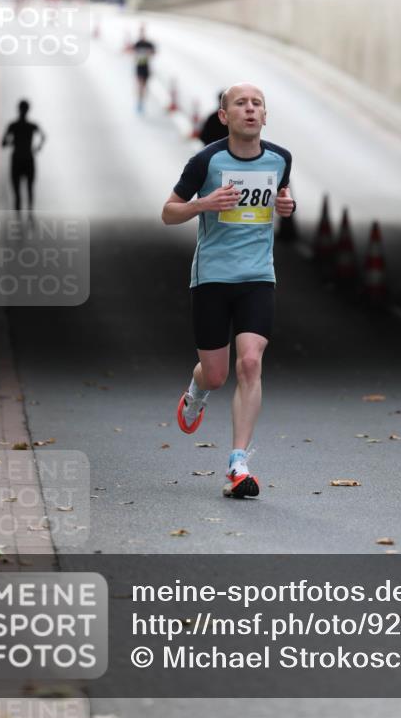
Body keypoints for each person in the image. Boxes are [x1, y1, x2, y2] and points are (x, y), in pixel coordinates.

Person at [161, 83, 296, 499]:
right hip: (212, 278)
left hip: (258, 276)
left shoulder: (280, 159)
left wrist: (287, 207)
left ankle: (239, 462)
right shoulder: (206, 161)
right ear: (225, 116)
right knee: (217, 375)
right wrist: (205, 203)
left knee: (251, 363)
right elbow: (168, 212)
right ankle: (197, 391)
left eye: (257, 103)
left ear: (265, 115)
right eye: (241, 104)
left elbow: (282, 196)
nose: (250, 109)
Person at [1, 100, 46, 212]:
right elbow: (43, 136)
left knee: (17, 191)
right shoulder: (31, 126)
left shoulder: (13, 126)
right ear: (28, 110)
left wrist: (12, 143)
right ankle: (29, 211)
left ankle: (19, 213)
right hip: (28, 158)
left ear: (19, 109)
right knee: (29, 188)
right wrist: (38, 147)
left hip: (17, 159)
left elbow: (3, 143)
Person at [130, 25, 156, 113]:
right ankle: (139, 102)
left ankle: (142, 101)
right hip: (139, 67)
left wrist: (149, 53)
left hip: (146, 67)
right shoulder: (137, 43)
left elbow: (154, 53)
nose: (142, 33)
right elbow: (131, 51)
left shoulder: (149, 44)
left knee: (144, 87)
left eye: (143, 31)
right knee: (140, 85)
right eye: (141, 32)